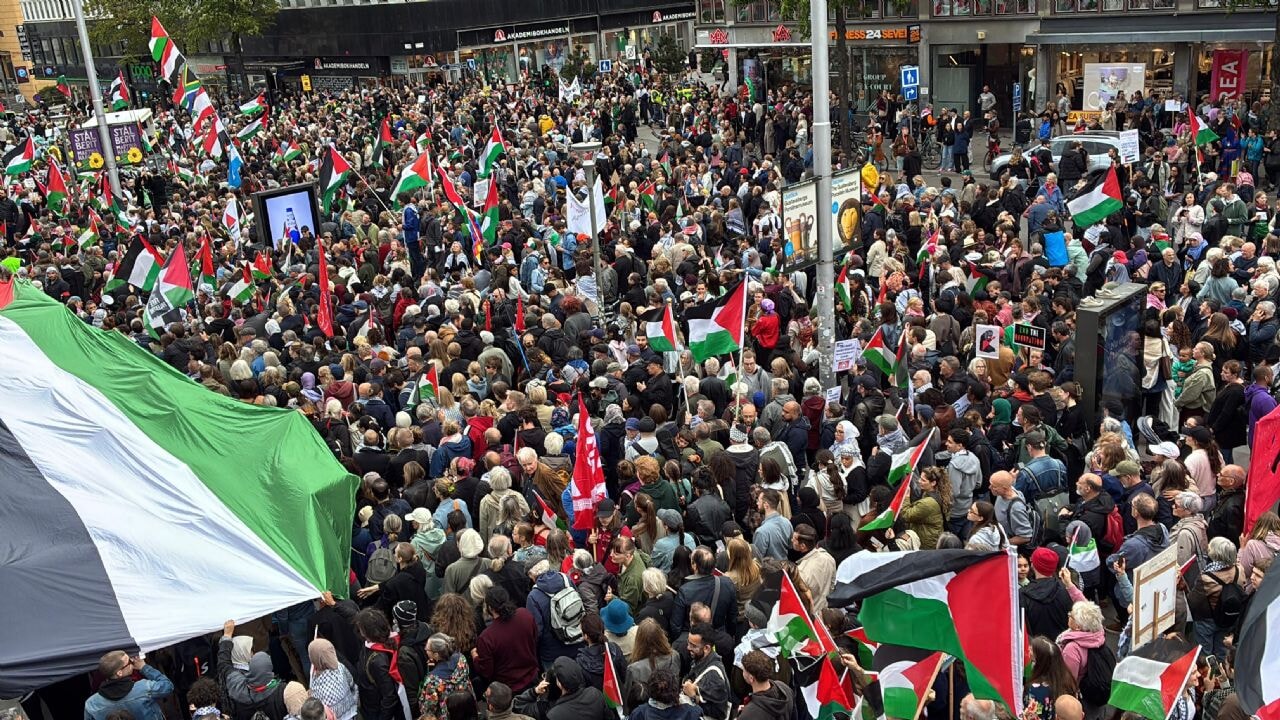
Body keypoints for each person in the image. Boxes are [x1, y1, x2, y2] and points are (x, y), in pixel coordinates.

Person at [474, 585, 540, 693]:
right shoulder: (525, 614)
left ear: (490, 608)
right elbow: (535, 638)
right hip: (532, 678)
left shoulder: (486, 637)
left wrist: (475, 657)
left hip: (508, 690)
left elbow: (486, 671)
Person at [83, 649, 175, 720]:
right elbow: (167, 685)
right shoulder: (144, 688)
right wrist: (144, 667)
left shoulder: (91, 704)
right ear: (119, 673)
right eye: (129, 662)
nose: (133, 662)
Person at [683, 623, 732, 720]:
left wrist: (693, 696)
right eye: (688, 642)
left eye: (693, 645)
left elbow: (720, 713)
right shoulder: (700, 659)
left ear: (707, 648)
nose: (688, 648)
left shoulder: (714, 676)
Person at [737, 650, 795, 720]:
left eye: (743, 670)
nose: (742, 673)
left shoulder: (747, 716)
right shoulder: (785, 689)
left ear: (751, 678)